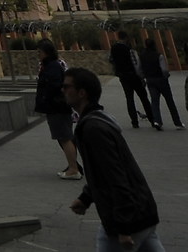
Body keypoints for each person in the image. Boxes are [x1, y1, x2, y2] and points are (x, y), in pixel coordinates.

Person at [66, 66, 168, 252]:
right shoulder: (98, 122)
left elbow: (116, 177)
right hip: (143, 212)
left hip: (129, 220)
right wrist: (86, 198)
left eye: (66, 87)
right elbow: (102, 171)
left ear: (81, 93)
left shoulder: (93, 129)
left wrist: (123, 228)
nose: (62, 90)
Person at [35, 41, 82, 180]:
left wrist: (45, 98)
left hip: (57, 107)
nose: (38, 54)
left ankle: (74, 169)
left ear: (46, 52)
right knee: (64, 137)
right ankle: (73, 166)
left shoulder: (52, 66)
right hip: (57, 107)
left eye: (40, 52)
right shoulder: (50, 66)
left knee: (65, 138)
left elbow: (54, 87)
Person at [109, 34, 154, 129]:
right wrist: (141, 77)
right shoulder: (128, 49)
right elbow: (135, 63)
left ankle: (134, 121)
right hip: (133, 76)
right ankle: (152, 119)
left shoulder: (113, 48)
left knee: (129, 99)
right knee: (143, 97)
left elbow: (111, 60)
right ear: (125, 38)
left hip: (123, 76)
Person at [141, 44, 180, 131]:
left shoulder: (143, 57)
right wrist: (166, 76)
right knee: (170, 101)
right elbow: (164, 70)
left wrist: (143, 77)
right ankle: (177, 122)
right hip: (161, 80)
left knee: (154, 102)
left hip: (150, 80)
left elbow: (140, 68)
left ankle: (157, 121)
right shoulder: (159, 55)